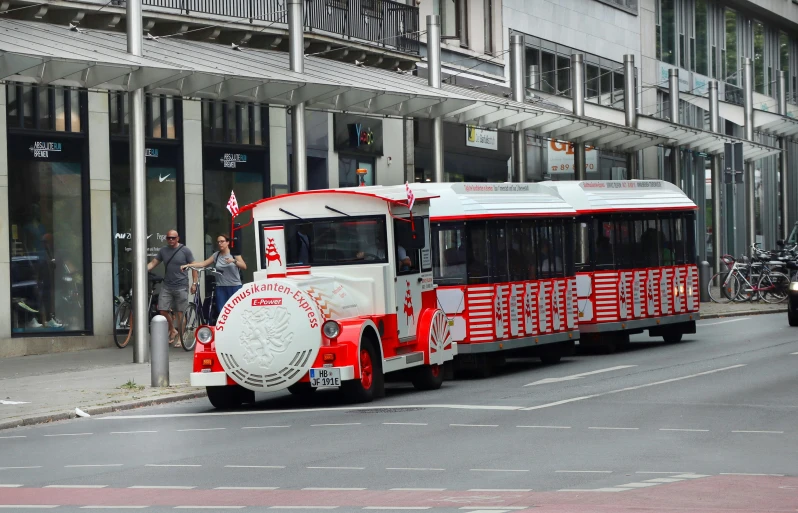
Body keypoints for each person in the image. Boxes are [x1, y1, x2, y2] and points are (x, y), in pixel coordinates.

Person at [147, 230, 196, 347]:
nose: (171, 240)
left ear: (178, 238)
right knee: (162, 309)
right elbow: (154, 262)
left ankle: (180, 336)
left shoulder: (185, 250)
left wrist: (194, 283)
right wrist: (141, 269)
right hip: (167, 285)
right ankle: (173, 330)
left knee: (180, 313)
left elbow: (194, 266)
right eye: (169, 238)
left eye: (173, 238)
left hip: (181, 286)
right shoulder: (163, 251)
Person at [182, 234, 247, 318]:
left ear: (227, 242)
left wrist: (233, 261)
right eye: (218, 242)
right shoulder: (216, 255)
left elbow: (244, 266)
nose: (220, 244)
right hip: (221, 287)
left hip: (234, 286)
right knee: (222, 312)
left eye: (222, 241)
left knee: (236, 311)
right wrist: (188, 265)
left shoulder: (234, 254)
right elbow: (203, 263)